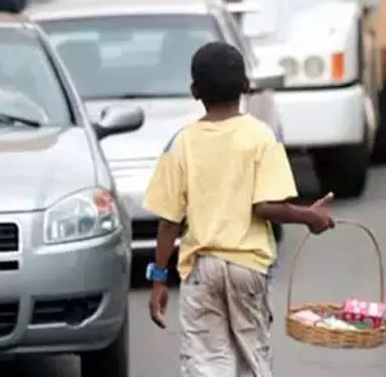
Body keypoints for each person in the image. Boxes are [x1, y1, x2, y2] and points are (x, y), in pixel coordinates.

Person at [142, 41, 336, 377]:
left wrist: (159, 278)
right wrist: (309, 216)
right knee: (252, 358)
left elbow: (169, 222)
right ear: (246, 86)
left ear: (194, 91)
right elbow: (266, 206)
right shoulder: (261, 136)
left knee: (207, 362)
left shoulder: (181, 143)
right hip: (248, 266)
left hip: (201, 269)